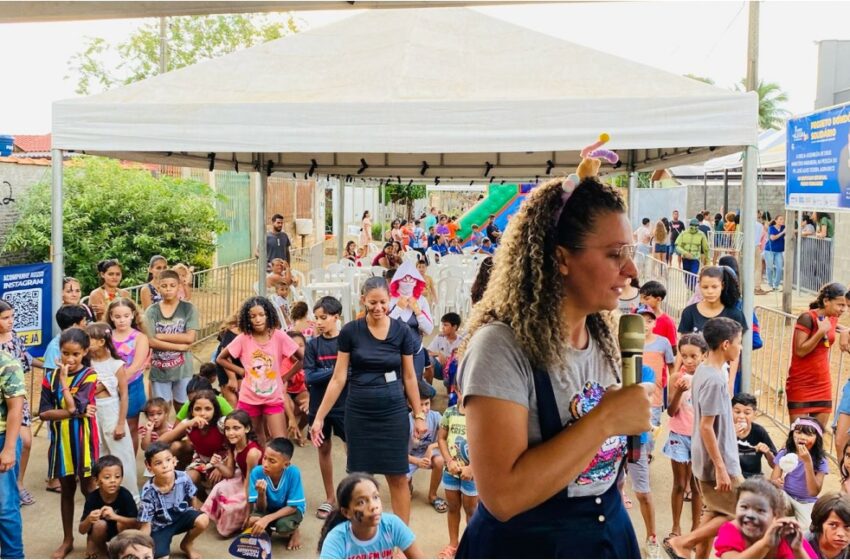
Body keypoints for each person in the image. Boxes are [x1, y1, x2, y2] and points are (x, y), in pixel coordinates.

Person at [455, 174, 650, 558]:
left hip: (606, 535)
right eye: (614, 254)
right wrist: (606, 419)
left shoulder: (605, 336)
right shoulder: (500, 348)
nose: (631, 271)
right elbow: (503, 498)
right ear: (561, 258)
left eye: (629, 252)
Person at [310, 277, 427, 526]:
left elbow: (409, 376)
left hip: (393, 411)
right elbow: (338, 378)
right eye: (372, 302)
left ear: (390, 301)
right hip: (359, 413)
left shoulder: (401, 331)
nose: (378, 307)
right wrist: (319, 417)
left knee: (398, 476)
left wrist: (418, 415)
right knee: (360, 479)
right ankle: (364, 537)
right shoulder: (351, 331)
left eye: (383, 302)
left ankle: (400, 543)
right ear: (363, 300)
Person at [665, 317, 744, 560]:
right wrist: (721, 468)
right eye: (739, 343)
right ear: (726, 344)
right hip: (718, 461)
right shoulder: (714, 379)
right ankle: (682, 542)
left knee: (713, 511)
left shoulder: (704, 371)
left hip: (708, 457)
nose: (740, 348)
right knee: (742, 511)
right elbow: (707, 426)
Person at [38, 327, 99, 558]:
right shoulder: (48, 376)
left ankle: (93, 538)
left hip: (83, 442)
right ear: (59, 352)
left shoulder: (90, 375)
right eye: (65, 353)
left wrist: (64, 386)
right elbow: (43, 413)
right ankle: (67, 539)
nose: (70, 359)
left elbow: (76, 406)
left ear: (85, 352)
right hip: (60, 442)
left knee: (88, 488)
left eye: (75, 354)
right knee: (67, 490)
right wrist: (75, 412)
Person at [216, 296, 302, 445]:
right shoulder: (243, 338)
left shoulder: (279, 336)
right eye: (252, 316)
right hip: (249, 397)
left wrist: (285, 377)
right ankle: (260, 468)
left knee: (280, 441)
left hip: (273, 397)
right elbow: (221, 359)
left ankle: (280, 468)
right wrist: (241, 371)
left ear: (269, 314)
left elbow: (302, 359)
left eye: (261, 315)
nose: (257, 319)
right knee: (255, 439)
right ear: (246, 319)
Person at [304, 296, 346, 520]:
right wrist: (337, 372)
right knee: (323, 449)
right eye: (316, 318)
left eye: (324, 317)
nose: (319, 322)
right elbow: (310, 377)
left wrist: (329, 373)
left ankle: (349, 495)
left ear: (336, 317)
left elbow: (351, 375)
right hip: (317, 407)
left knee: (353, 451)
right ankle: (330, 497)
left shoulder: (345, 343)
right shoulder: (312, 345)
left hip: (344, 407)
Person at [789, 284, 847, 449]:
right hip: (800, 383)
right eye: (840, 304)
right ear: (826, 301)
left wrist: (844, 331)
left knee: (817, 439)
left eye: (845, 305)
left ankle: (813, 474)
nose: (843, 309)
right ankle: (791, 474)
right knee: (798, 438)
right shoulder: (807, 318)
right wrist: (820, 332)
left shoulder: (832, 318)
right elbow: (800, 350)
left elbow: (834, 327)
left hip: (822, 383)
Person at [86, 322, 139, 500]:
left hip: (112, 411)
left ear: (101, 341)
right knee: (99, 454)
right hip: (94, 414)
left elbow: (124, 395)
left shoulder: (116, 364)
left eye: (89, 340)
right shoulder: (88, 363)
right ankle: (104, 496)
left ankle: (131, 497)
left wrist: (120, 423)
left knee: (121, 454)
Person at [318, 473, 424, 559]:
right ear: (346, 512)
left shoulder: (392, 525)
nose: (373, 506)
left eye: (376, 497)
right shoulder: (337, 539)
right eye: (361, 502)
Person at [663, 333, 707, 539]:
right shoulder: (675, 378)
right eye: (684, 356)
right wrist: (679, 391)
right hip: (679, 434)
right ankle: (675, 527)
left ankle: (695, 529)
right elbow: (671, 412)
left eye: (694, 356)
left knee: (698, 486)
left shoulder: (708, 378)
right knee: (680, 484)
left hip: (700, 437)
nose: (689, 361)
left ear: (704, 355)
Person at [677, 266, 748, 394]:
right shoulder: (689, 312)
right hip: (693, 376)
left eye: (714, 287)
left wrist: (731, 383)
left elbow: (735, 352)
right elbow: (682, 347)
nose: (710, 291)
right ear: (699, 286)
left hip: (722, 376)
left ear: (722, 285)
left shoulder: (734, 314)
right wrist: (676, 375)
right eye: (705, 287)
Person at [712, 476, 816, 559]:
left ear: (775, 515)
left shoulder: (787, 535)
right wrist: (765, 544)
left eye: (760, 511)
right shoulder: (730, 530)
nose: (750, 515)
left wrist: (798, 550)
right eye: (744, 507)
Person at [137, 442, 209, 559]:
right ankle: (161, 545)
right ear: (149, 467)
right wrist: (141, 549)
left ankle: (186, 544)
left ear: (174, 461)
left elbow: (192, 496)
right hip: (160, 526)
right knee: (161, 557)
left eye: (168, 460)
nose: (165, 466)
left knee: (203, 519)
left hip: (181, 516)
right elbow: (146, 525)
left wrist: (194, 513)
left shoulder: (183, 477)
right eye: (158, 463)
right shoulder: (148, 492)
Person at [201, 410, 263, 537]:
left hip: (255, 485)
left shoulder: (252, 453)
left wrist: (248, 512)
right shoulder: (232, 444)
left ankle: (234, 525)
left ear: (247, 429)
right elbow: (229, 473)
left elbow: (249, 483)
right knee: (219, 487)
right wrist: (217, 464)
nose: (231, 433)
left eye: (236, 428)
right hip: (242, 477)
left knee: (232, 505)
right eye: (227, 429)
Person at [144, 270, 199, 411]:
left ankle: (180, 433)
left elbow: (189, 337)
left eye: (172, 285)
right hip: (159, 368)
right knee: (162, 408)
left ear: (179, 286)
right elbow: (150, 341)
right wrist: (180, 347)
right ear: (158, 287)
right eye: (164, 286)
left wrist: (160, 335)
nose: (168, 289)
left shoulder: (188, 308)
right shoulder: (152, 311)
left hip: (182, 368)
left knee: (183, 405)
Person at [0, 299, 35, 506]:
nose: (10, 321)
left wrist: (50, 366)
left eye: (12, 317)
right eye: (5, 318)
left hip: (17, 399)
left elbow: (26, 359)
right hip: (4, 407)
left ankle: (19, 483)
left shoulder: (14, 337)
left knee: (26, 442)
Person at [436, 385, 477, 560]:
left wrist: (473, 467)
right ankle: (453, 544)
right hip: (450, 471)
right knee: (453, 507)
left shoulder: (480, 414)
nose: (465, 394)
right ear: (456, 391)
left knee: (472, 510)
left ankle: (473, 546)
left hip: (472, 474)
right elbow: (442, 438)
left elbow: (488, 445)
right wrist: (449, 461)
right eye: (462, 390)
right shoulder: (450, 413)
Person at [160, 390, 228, 494]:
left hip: (224, 460)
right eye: (197, 409)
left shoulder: (222, 424)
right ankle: (194, 497)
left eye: (208, 409)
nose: (202, 413)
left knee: (220, 489)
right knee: (188, 479)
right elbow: (160, 442)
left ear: (215, 410)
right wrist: (186, 425)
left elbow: (237, 447)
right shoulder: (189, 424)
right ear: (192, 411)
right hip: (201, 460)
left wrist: (222, 467)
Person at [245, 438, 305, 550]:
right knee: (253, 521)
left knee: (283, 527)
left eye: (272, 461)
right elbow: (260, 508)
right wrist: (261, 493)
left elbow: (292, 507)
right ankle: (267, 531)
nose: (265, 464)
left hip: (289, 510)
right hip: (268, 508)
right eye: (264, 458)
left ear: (286, 465)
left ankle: (295, 531)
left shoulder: (293, 473)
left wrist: (266, 519)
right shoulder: (257, 472)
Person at [107, 298, 150, 455]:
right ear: (111, 317)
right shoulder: (107, 337)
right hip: (109, 388)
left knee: (131, 427)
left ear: (132, 315)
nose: (122, 320)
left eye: (125, 316)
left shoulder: (140, 338)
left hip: (131, 386)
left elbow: (136, 365)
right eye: (117, 317)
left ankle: (129, 463)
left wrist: (118, 381)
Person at [388, 262, 435, 399]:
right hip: (394, 351)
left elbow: (429, 330)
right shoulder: (390, 300)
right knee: (395, 385)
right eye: (404, 278)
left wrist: (417, 311)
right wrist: (398, 309)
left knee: (414, 384)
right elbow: (383, 327)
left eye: (411, 279)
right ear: (397, 280)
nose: (408, 282)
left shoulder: (421, 301)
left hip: (416, 351)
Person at [771, 417, 828, 527]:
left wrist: (808, 462)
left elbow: (813, 492)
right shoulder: (785, 453)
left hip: (806, 501)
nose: (802, 437)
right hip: (785, 495)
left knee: (807, 529)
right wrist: (776, 483)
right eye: (798, 432)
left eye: (808, 434)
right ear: (792, 434)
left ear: (818, 439)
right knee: (775, 507)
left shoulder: (821, 461)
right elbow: (772, 481)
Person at [79, 455, 140, 558]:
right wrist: (89, 519)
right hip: (102, 533)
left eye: (117, 476)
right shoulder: (93, 498)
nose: (113, 481)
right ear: (97, 480)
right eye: (107, 477)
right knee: (99, 525)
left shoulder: (125, 495)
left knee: (121, 524)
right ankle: (102, 550)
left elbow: (137, 523)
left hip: (122, 533)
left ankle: (122, 551)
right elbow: (81, 530)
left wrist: (115, 517)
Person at [0, 349, 25, 558]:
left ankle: (13, 555)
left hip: (1, 440)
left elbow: (15, 409)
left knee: (4, 506)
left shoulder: (7, 363)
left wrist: (8, 449)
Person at [407, 388, 445, 513]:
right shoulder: (405, 422)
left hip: (430, 453)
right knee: (404, 491)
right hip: (410, 456)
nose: (424, 409)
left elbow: (446, 438)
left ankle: (432, 496)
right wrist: (417, 461)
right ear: (410, 404)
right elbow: (397, 453)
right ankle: (408, 484)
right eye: (420, 404)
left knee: (439, 461)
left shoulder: (435, 417)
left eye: (427, 404)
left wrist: (431, 447)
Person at [636, 304, 674, 428]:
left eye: (649, 321)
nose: (645, 324)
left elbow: (672, 368)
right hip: (632, 398)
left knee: (650, 434)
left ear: (654, 323)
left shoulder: (663, 343)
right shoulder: (628, 342)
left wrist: (672, 392)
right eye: (640, 321)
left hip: (654, 399)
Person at [732, 392, 777, 479]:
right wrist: (732, 436)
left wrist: (767, 453)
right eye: (737, 412)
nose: (741, 416)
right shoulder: (726, 431)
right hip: (732, 476)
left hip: (754, 478)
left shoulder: (759, 431)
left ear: (754, 414)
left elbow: (775, 465)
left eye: (747, 413)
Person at [284, 331, 309, 446]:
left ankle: (299, 429)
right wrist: (291, 418)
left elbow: (314, 386)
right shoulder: (284, 362)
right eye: (293, 346)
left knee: (312, 407)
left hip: (300, 390)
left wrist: (310, 400)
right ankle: (286, 430)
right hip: (285, 392)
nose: (297, 349)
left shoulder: (310, 360)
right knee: (289, 407)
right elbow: (282, 393)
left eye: (301, 345)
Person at [806, 492, 850, 559]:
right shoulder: (802, 545)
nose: (841, 534)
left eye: (847, 526)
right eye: (833, 525)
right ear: (820, 524)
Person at [639, 280, 677, 352]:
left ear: (658, 299)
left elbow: (673, 348)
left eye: (646, 298)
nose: (642, 301)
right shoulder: (637, 317)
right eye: (640, 298)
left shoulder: (668, 322)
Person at [428, 312, 462, 385]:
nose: (442, 327)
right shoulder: (439, 337)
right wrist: (438, 354)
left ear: (454, 327)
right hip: (440, 369)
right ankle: (428, 392)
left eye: (446, 325)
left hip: (453, 371)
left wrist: (450, 361)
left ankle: (451, 389)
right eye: (443, 324)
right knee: (429, 360)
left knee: (449, 381)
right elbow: (427, 353)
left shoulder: (461, 341)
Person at [765, 215, 786, 292]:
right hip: (769, 250)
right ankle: (770, 284)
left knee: (780, 268)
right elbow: (772, 238)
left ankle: (776, 285)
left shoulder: (784, 227)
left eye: (783, 219)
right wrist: (783, 232)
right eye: (780, 219)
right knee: (770, 267)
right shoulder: (771, 228)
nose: (782, 221)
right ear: (776, 220)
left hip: (779, 251)